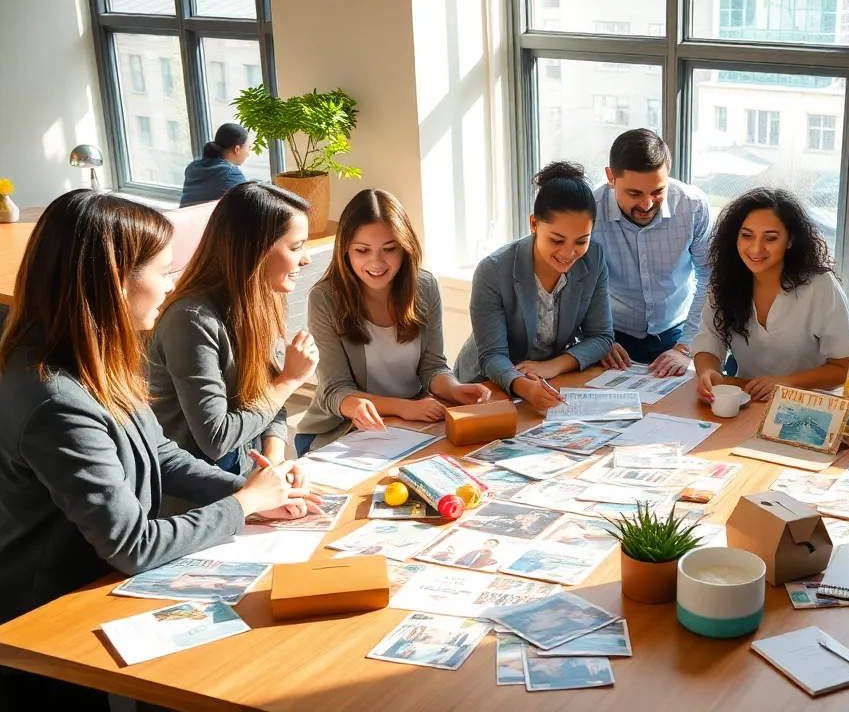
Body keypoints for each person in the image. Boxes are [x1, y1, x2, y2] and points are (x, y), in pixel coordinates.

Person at [0, 191, 318, 707]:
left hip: (96, 584)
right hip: (46, 616)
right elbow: (133, 545)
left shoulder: (100, 355)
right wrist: (244, 504)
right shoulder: (55, 399)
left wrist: (258, 490)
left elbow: (162, 456)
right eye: (164, 272)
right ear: (114, 282)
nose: (172, 286)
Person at [299, 189, 491, 455]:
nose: (376, 262)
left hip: (407, 426)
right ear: (345, 250)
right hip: (340, 430)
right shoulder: (324, 298)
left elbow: (432, 367)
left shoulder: (424, 287)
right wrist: (405, 407)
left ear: (405, 248)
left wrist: (454, 389)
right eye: (362, 250)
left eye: (389, 249)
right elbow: (336, 391)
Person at [148, 182, 319, 475]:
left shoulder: (262, 302)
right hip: (196, 500)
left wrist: (274, 463)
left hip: (243, 478)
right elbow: (217, 439)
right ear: (256, 250)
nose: (306, 258)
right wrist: (289, 380)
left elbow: (268, 403)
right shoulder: (190, 320)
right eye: (295, 247)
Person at [454, 162, 613, 410]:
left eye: (581, 240)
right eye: (557, 240)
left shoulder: (594, 258)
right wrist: (524, 385)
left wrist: (553, 366)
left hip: (548, 381)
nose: (569, 253)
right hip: (485, 386)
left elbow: (601, 337)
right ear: (534, 225)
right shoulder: (494, 270)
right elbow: (492, 355)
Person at [692, 188, 849, 403]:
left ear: (790, 240)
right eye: (746, 236)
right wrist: (707, 372)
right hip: (748, 400)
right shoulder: (724, 282)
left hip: (809, 404)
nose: (756, 248)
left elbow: (844, 367)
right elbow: (709, 344)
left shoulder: (821, 286)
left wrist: (786, 382)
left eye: (770, 238)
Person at [591, 129, 710, 378]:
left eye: (657, 191)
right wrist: (595, 338)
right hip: (613, 336)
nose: (646, 205)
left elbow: (710, 278)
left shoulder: (693, 206)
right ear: (611, 177)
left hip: (680, 330)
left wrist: (686, 346)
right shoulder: (589, 209)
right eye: (634, 193)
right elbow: (575, 281)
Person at [180, 123, 251, 207]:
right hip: (208, 220)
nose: (248, 153)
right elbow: (248, 206)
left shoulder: (192, 167)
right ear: (237, 149)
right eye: (249, 147)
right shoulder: (230, 174)